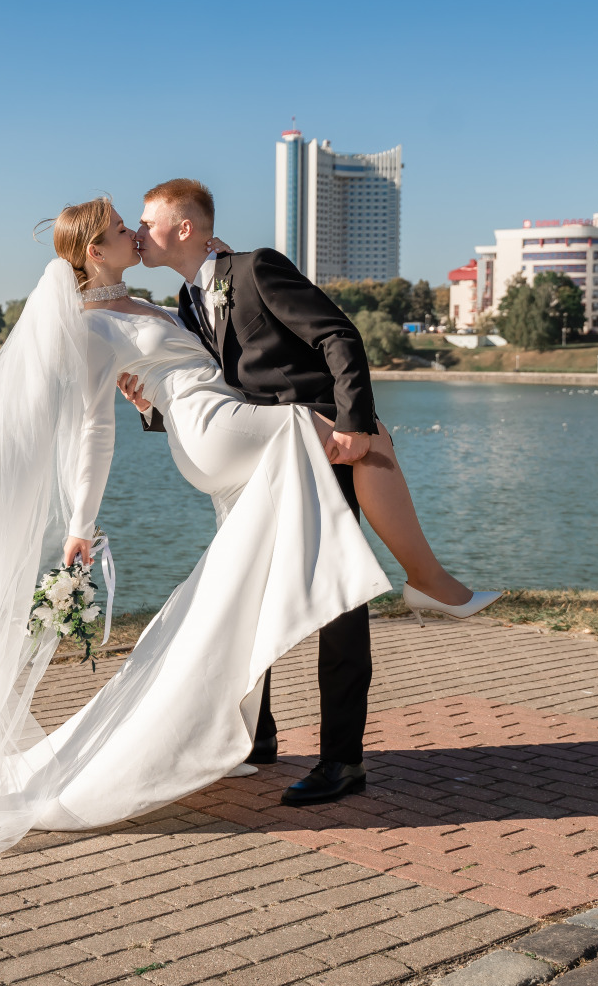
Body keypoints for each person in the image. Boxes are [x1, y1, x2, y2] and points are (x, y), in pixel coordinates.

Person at [0, 195, 495, 855]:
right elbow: (93, 429)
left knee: (253, 569)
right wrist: (80, 523)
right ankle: (429, 580)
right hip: (214, 434)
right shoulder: (90, 328)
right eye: (123, 229)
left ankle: (252, 721)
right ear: (96, 251)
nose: (134, 234)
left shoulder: (156, 303)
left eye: (137, 223)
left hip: (216, 424)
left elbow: (201, 366)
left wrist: (165, 365)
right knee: (356, 431)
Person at [124, 178, 496, 806]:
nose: (138, 231)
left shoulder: (257, 268)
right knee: (246, 595)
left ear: (183, 227)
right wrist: (150, 406)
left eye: (146, 220)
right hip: (260, 460)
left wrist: (352, 425)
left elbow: (338, 337)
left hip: (315, 445)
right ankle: (255, 736)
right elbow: (211, 396)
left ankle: (343, 759)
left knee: (339, 603)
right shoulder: (189, 305)